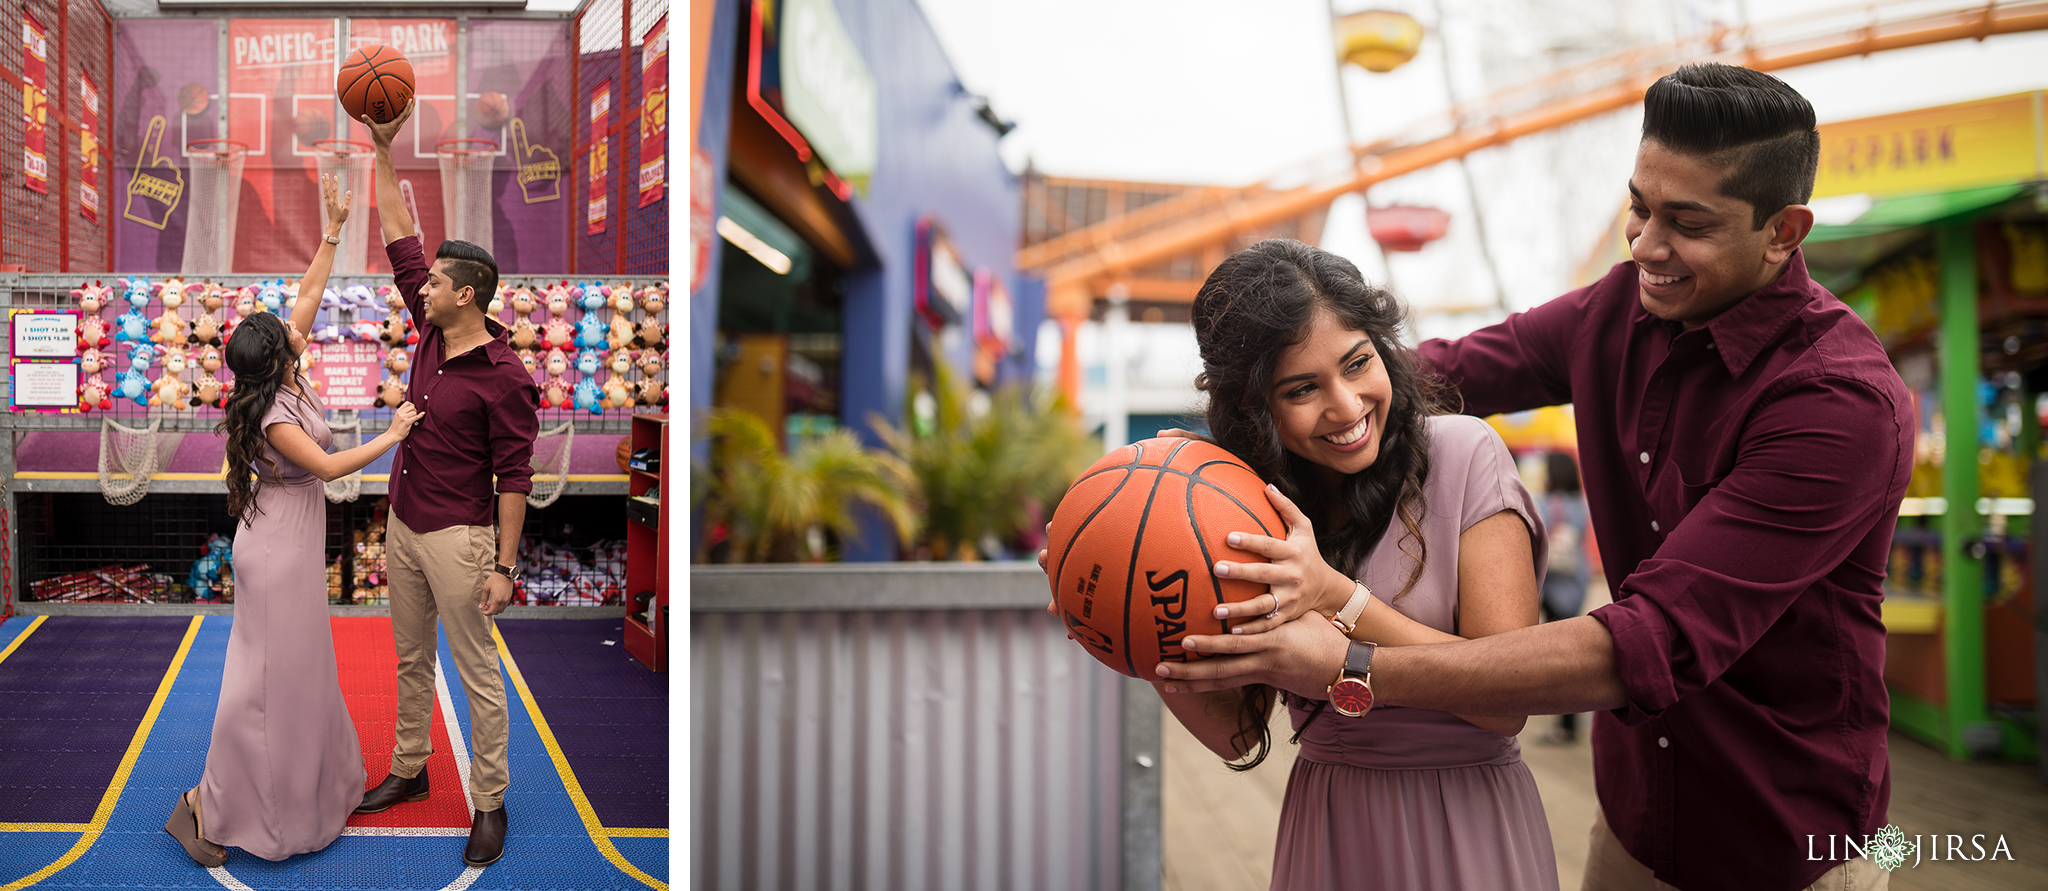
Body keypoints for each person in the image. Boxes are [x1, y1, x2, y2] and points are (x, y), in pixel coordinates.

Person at [1157, 64, 1911, 891]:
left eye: (1685, 223)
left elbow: (1638, 648)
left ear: (1784, 230)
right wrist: (1180, 487)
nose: (1644, 245)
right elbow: (1409, 377)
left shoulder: (1840, 404)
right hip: (1634, 821)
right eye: (1639, 206)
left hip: (1786, 838)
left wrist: (1345, 658)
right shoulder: (1621, 307)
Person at [1052, 239, 1559, 888]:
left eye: (1357, 363)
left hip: (1466, 821)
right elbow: (1237, 734)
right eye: (1302, 388)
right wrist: (1131, 601)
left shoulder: (1465, 454)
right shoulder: (1239, 503)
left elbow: (1505, 704)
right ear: (1251, 407)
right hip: (1329, 823)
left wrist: (1335, 594)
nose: (1346, 406)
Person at [167, 175, 422, 866]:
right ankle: (205, 803)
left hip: (286, 545)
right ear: (279, 356)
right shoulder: (277, 414)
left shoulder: (277, 376)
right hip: (275, 556)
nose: (296, 328)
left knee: (299, 677)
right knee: (263, 687)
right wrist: (394, 429)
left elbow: (306, 293)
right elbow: (333, 470)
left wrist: (334, 229)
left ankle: (300, 795)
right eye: (287, 336)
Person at [347, 98, 540, 869]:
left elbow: (515, 477)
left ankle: (489, 802)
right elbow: (399, 230)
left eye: (434, 285)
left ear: (467, 295)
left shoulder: (506, 377)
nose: (419, 288)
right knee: (407, 659)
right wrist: (383, 149)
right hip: (402, 524)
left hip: (463, 540)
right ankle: (410, 766)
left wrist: (504, 565)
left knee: (478, 672)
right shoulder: (429, 326)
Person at [1537, 450, 1589, 744]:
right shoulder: (1580, 503)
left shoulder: (1548, 502)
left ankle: (1565, 726)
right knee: (1572, 651)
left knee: (1559, 656)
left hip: (1555, 583)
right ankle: (1570, 723)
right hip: (1577, 580)